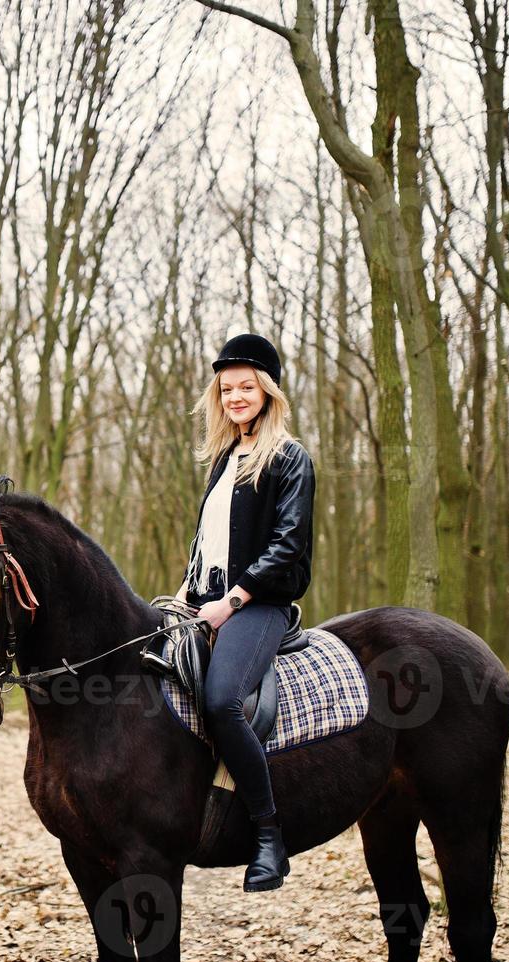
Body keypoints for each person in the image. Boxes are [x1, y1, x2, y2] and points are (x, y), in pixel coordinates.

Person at [141, 333, 315, 892]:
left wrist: (233, 601)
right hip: (205, 599)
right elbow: (209, 541)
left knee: (220, 700)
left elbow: (287, 547)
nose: (236, 396)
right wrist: (188, 595)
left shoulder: (289, 459)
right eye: (227, 387)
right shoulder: (221, 459)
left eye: (247, 386)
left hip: (259, 605)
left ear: (267, 391)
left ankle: (269, 836)